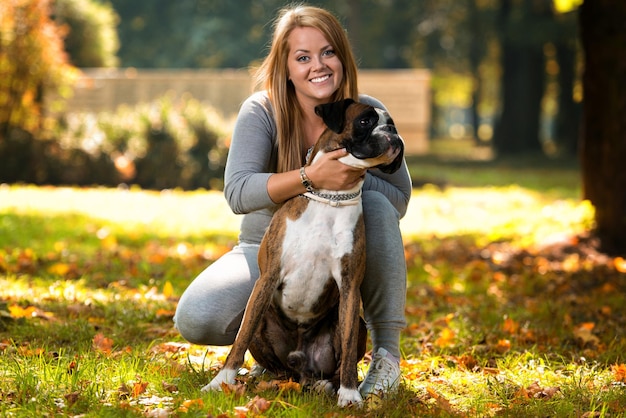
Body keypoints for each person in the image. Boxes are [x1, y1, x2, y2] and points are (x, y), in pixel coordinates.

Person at [174, 4, 412, 398]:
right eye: (303, 57)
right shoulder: (262, 110)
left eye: (327, 52)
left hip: (339, 248)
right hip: (265, 249)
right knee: (198, 317)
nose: (317, 65)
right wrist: (310, 177)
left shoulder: (366, 113)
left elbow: (400, 197)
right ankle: (279, 361)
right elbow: (237, 191)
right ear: (285, 68)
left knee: (380, 208)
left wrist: (354, 170)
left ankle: (386, 354)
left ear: (342, 56)